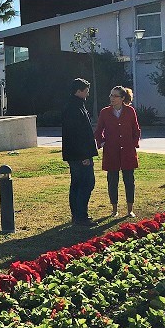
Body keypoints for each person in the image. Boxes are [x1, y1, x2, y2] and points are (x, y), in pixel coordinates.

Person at [94, 86, 141, 218]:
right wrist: (102, 143)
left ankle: (130, 209)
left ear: (122, 98)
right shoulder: (105, 112)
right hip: (111, 152)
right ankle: (114, 209)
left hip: (128, 152)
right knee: (112, 181)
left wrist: (133, 144)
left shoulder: (130, 111)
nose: (112, 98)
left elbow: (136, 130)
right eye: (111, 95)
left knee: (129, 181)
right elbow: (98, 131)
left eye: (115, 96)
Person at [61, 78, 99, 226]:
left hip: (76, 153)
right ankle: (80, 216)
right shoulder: (74, 108)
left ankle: (77, 215)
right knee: (86, 183)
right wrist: (85, 155)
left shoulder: (74, 105)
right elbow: (77, 135)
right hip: (80, 154)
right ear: (79, 91)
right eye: (86, 90)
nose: (88, 93)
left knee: (77, 184)